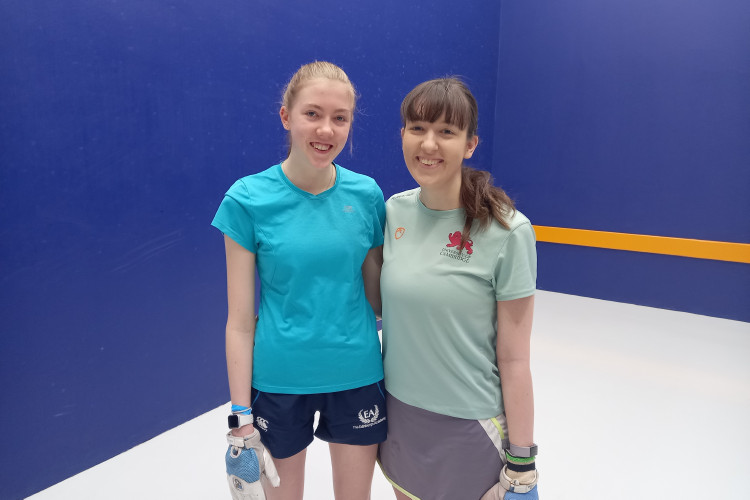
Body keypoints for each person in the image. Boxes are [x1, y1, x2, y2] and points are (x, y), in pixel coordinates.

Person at [212, 61, 387, 500]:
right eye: (312, 114)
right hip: (279, 381)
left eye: (340, 118)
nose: (326, 130)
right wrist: (240, 417)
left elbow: (379, 300)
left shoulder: (367, 195)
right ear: (286, 116)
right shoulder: (247, 199)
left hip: (356, 373)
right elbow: (239, 322)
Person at [378, 77, 540, 500]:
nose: (429, 144)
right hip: (400, 416)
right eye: (418, 128)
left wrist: (523, 461)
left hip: (470, 426)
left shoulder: (508, 231)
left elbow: (515, 358)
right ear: (402, 135)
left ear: (470, 145)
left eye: (446, 131)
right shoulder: (393, 211)